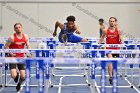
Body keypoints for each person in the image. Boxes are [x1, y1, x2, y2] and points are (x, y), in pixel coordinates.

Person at [4, 23, 31, 92]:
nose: (18, 29)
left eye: (19, 27)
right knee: (14, 76)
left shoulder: (26, 36)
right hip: (12, 57)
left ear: (21, 28)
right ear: (14, 29)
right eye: (16, 28)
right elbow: (5, 47)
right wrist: (11, 53)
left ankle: (19, 84)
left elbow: (28, 45)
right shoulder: (12, 37)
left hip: (21, 57)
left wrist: (29, 50)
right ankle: (16, 74)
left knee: (23, 76)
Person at [98, 17, 123, 84]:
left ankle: (112, 72)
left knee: (114, 63)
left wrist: (122, 42)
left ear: (115, 22)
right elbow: (101, 38)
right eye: (110, 21)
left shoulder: (118, 30)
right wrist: (98, 45)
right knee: (110, 60)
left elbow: (121, 38)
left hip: (117, 49)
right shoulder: (105, 30)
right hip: (109, 49)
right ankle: (111, 77)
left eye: (113, 21)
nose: (112, 22)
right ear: (109, 22)